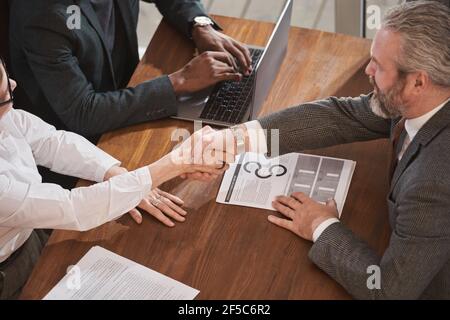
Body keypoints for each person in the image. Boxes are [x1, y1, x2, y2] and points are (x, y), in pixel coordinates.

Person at [205, 1, 450, 299]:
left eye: (379, 65)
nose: (367, 70)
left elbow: (387, 290)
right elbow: (344, 115)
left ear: (418, 82)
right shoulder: (421, 97)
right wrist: (239, 138)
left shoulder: (434, 182)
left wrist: (320, 225)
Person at [0, 58, 227, 299]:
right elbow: (74, 207)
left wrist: (115, 173)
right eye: (4, 91)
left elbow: (52, 142)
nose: (13, 84)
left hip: (28, 236)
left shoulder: (7, 117)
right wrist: (169, 166)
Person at [9, 0, 252, 138]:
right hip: (80, 140)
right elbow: (83, 114)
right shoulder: (42, 15)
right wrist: (180, 81)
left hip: (131, 88)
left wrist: (199, 26)